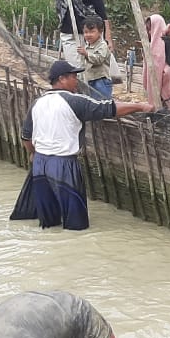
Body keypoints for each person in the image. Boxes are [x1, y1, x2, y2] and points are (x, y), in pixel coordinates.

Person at [13, 60, 153, 230]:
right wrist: (140, 106)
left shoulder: (37, 103)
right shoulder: (74, 101)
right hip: (63, 165)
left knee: (49, 225)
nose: (76, 81)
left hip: (40, 165)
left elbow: (26, 137)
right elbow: (108, 108)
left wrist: (32, 153)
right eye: (74, 77)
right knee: (76, 226)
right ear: (62, 79)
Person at [146, 12, 170, 106]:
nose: (149, 32)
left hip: (164, 91)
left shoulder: (165, 47)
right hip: (157, 91)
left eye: (151, 29)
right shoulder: (149, 48)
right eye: (148, 29)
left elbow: (168, 71)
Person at [77, 16, 113, 100]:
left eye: (92, 32)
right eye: (86, 32)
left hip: (101, 80)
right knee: (93, 101)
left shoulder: (102, 45)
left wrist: (86, 54)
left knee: (103, 102)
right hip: (90, 79)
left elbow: (99, 59)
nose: (88, 35)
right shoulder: (87, 45)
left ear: (100, 32)